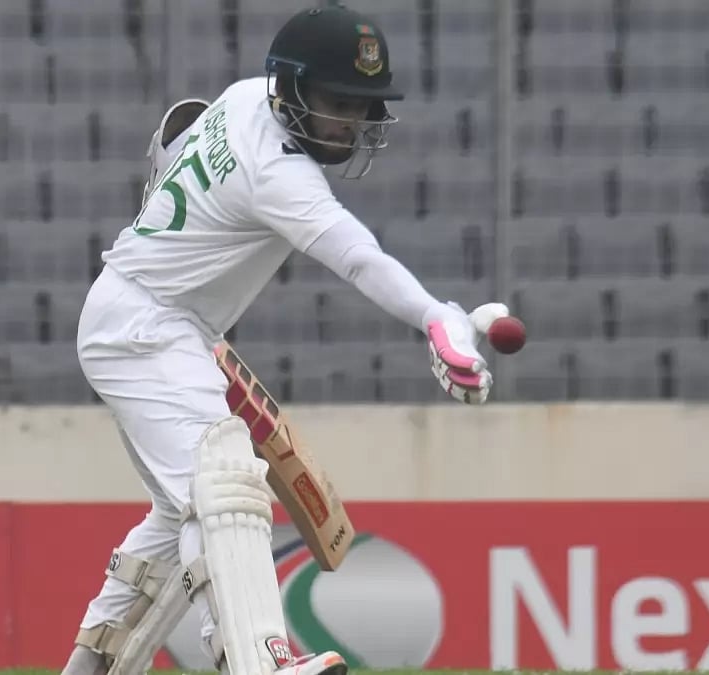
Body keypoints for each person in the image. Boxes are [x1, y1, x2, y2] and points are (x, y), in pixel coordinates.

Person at [60, 4, 508, 675]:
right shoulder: (279, 175)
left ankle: (92, 663)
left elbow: (170, 144)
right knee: (226, 485)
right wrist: (434, 317)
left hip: (159, 321)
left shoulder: (243, 97)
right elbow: (358, 256)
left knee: (177, 511)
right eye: (336, 103)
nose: (350, 123)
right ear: (290, 87)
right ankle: (258, 658)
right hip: (145, 327)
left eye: (361, 108)